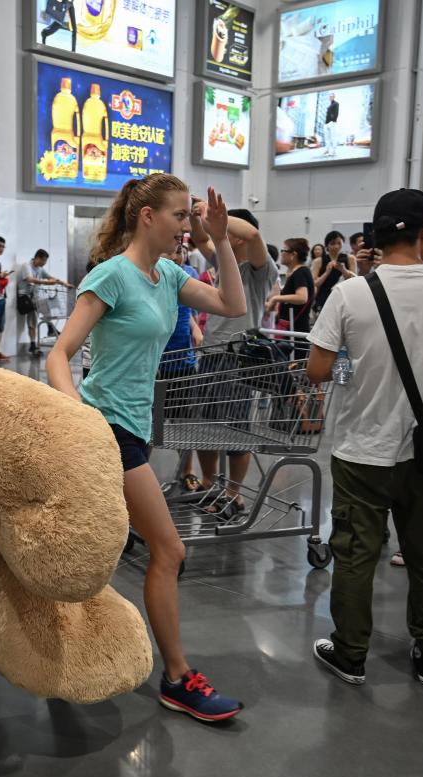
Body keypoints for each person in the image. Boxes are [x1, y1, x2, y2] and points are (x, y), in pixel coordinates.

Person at [47, 176, 249, 722]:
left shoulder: (167, 277)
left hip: (136, 426)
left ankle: (57, 647)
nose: (189, 226)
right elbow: (60, 355)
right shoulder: (112, 276)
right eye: (182, 216)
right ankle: (179, 677)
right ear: (147, 218)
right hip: (105, 426)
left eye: (191, 217)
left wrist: (221, 239)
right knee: (169, 550)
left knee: (90, 547)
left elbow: (233, 303)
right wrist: (80, 416)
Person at [307, 189, 423, 690]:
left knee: (357, 553)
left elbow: (317, 369)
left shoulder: (351, 293)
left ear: (377, 238)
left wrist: (359, 362)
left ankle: (351, 653)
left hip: (363, 447)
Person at [190, 205, 277, 519]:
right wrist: (195, 213)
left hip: (240, 357)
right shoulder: (224, 261)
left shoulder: (261, 269)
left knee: (237, 431)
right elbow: (200, 239)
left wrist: (219, 220)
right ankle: (210, 483)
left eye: (227, 229)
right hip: (211, 354)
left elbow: (252, 234)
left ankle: (233, 492)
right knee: (203, 426)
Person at [158, 242, 203, 492]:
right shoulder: (151, 274)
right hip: (154, 360)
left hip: (182, 359)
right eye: (171, 249)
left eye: (180, 250)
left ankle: (188, 471)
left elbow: (191, 310)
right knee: (150, 424)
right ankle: (139, 474)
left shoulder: (189, 274)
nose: (177, 254)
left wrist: (195, 327)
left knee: (184, 422)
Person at [18, 249, 72, 356]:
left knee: (47, 307)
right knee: (32, 320)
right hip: (26, 298)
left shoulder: (40, 268)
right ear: (37, 258)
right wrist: (47, 283)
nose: (44, 264)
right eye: (43, 261)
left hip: (35, 297)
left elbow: (50, 277)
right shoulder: (26, 266)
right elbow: (30, 279)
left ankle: (49, 329)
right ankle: (41, 336)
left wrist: (64, 284)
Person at [266, 237, 314, 356]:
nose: (281, 253)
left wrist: (276, 298)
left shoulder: (301, 272)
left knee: (293, 366)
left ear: (293, 254)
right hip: (292, 328)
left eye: (284, 250)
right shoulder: (297, 273)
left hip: (296, 330)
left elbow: (302, 297)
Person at [312, 231, 353, 316]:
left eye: (339, 243)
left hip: (344, 297)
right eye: (333, 243)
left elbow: (353, 281)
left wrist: (343, 270)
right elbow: (315, 283)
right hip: (324, 297)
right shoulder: (318, 261)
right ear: (327, 245)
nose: (336, 246)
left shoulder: (350, 258)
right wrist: (327, 272)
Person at [323, 92, 340, 157]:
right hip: (326, 123)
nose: (330, 97)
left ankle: (334, 151)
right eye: (329, 96)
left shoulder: (336, 104)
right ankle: (327, 149)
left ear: (334, 97)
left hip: (332, 123)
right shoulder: (330, 105)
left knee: (333, 137)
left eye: (331, 96)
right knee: (327, 138)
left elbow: (336, 113)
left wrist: (333, 121)